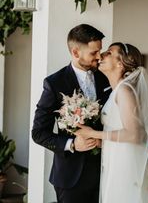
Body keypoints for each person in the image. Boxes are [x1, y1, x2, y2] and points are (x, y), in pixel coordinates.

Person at [32, 24, 111, 203]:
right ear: (75, 53)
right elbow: (38, 133)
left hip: (106, 173)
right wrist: (72, 143)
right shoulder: (54, 83)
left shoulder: (106, 77)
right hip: (71, 178)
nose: (99, 57)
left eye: (100, 51)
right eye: (93, 53)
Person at [75, 42, 148, 203]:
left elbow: (135, 135)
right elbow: (122, 132)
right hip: (116, 160)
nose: (102, 55)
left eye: (109, 53)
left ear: (120, 63)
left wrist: (92, 133)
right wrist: (99, 142)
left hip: (125, 166)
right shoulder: (116, 91)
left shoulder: (125, 91)